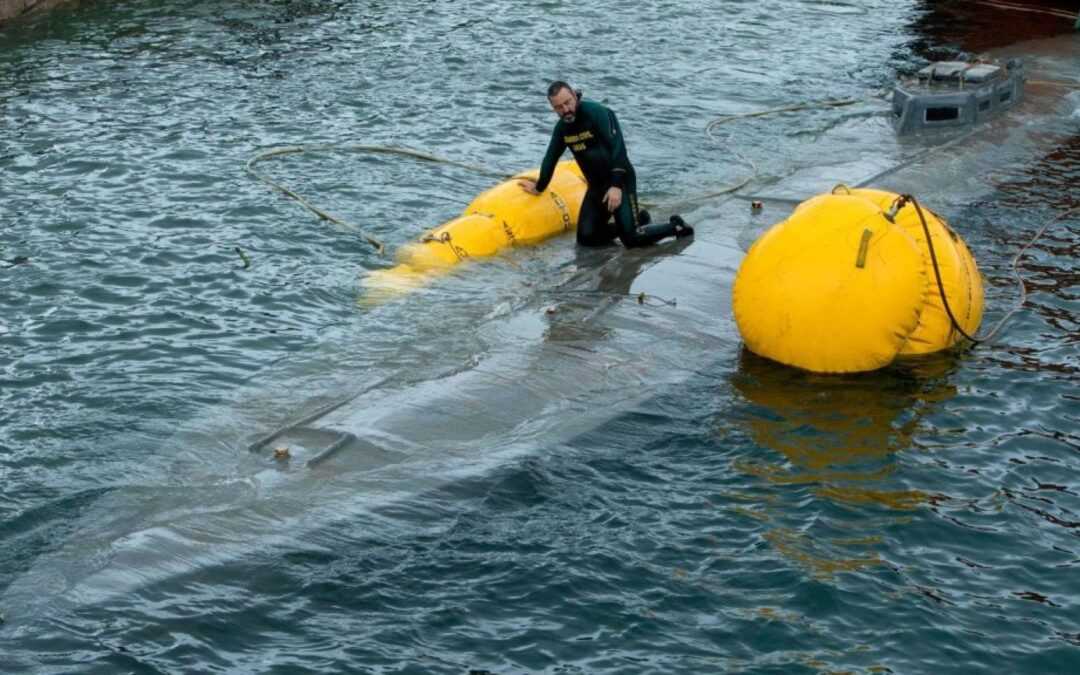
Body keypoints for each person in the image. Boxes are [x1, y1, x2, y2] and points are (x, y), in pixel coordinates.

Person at [519, 81, 693, 247]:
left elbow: (619, 149)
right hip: (597, 187)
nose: (565, 110)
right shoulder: (562, 129)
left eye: (568, 102)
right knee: (587, 238)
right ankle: (638, 220)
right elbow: (550, 158)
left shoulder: (597, 113)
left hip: (621, 180)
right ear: (553, 108)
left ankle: (675, 226)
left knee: (631, 240)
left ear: (574, 95)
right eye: (559, 107)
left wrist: (616, 185)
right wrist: (540, 186)